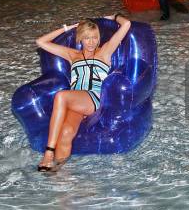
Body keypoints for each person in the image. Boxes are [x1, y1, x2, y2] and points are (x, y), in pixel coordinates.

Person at [34, 14, 131, 171]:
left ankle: (48, 153)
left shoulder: (104, 51)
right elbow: (40, 42)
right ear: (80, 38)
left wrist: (114, 17)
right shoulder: (73, 55)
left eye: (94, 37)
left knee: (61, 95)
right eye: (86, 38)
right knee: (66, 132)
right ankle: (59, 174)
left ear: (99, 38)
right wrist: (68, 28)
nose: (91, 42)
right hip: (75, 103)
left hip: (94, 99)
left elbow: (126, 25)